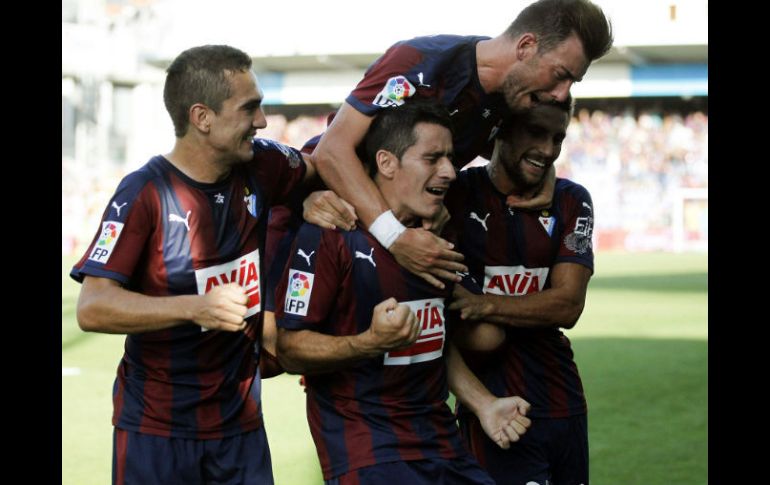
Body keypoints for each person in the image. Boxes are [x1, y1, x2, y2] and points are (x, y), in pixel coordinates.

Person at [70, 44, 319, 485]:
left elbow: (322, 168)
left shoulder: (264, 165)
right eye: (249, 108)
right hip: (157, 429)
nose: (262, 121)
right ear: (202, 117)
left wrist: (315, 197)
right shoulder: (144, 192)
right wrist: (195, 307)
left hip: (240, 426)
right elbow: (92, 307)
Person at [274, 100, 531, 485]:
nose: (449, 171)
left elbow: (431, 342)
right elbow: (289, 348)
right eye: (432, 158)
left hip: (441, 442)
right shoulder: (330, 236)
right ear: (386, 163)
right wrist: (369, 343)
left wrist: (484, 404)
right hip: (369, 452)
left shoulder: (433, 235)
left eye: (450, 158)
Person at [312, 0, 612, 289]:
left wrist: (544, 174)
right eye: (560, 75)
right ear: (526, 46)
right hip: (326, 216)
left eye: (572, 83)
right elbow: (331, 150)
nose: (562, 94)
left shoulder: (512, 99)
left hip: (396, 238)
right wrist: (395, 237)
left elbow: (508, 151)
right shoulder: (421, 62)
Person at [445, 96, 594, 485]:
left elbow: (568, 305)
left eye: (557, 138)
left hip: (564, 401)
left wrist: (482, 305)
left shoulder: (571, 199)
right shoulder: (455, 193)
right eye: (535, 132)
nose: (547, 149)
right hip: (496, 409)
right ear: (501, 130)